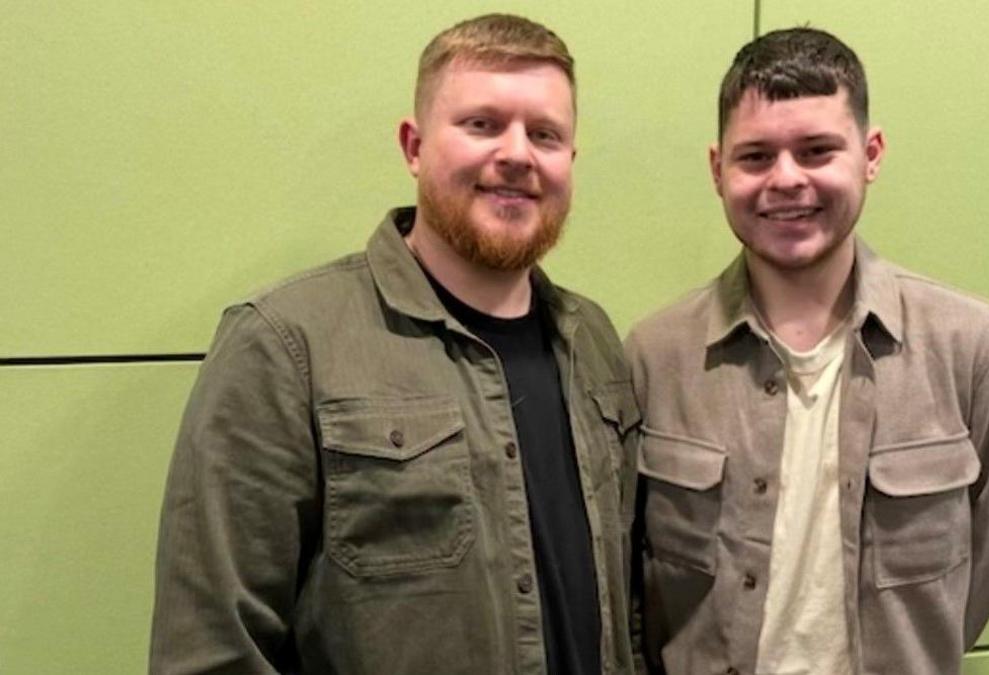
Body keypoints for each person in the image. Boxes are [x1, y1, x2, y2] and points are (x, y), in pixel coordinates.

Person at [150, 14, 640, 674]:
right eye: (483, 124)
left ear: (569, 162)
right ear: (414, 146)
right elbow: (212, 645)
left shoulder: (596, 344)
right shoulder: (286, 344)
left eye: (545, 134)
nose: (518, 154)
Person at [626, 27, 989, 675]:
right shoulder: (654, 354)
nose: (786, 179)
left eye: (817, 150)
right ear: (717, 169)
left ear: (870, 153)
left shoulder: (971, 344)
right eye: (755, 156)